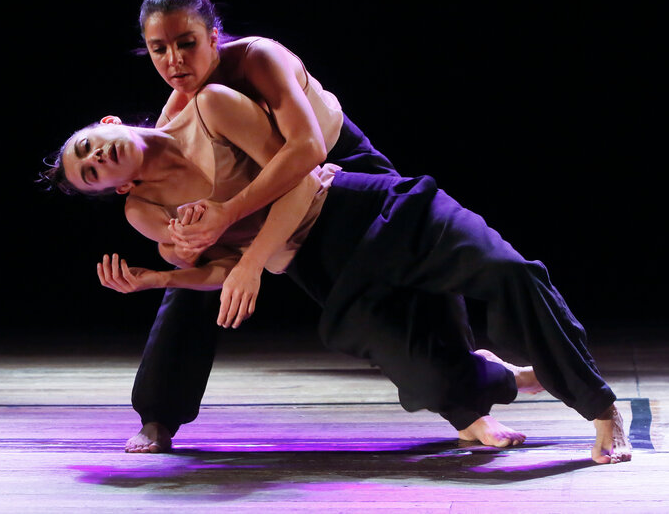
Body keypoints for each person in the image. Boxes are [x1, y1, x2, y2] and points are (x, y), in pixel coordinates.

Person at [42, 85, 633, 464]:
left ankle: (601, 407)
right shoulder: (145, 211)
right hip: (327, 272)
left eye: (91, 146)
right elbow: (217, 272)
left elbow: (300, 166)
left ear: (109, 120)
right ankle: (511, 380)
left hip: (364, 206)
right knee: (428, 379)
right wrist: (157, 280)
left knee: (511, 274)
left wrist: (239, 237)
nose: (97, 158)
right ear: (114, 188)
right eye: (90, 171)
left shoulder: (208, 105)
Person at [123, 0, 486, 455]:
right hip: (274, 189)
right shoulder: (179, 108)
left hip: (342, 160)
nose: (174, 61)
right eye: (158, 49)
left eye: (186, 44)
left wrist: (242, 242)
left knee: (414, 255)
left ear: (213, 37)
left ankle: (471, 406)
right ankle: (157, 414)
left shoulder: (257, 58)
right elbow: (171, 202)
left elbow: (308, 152)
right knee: (199, 265)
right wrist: (183, 241)